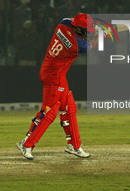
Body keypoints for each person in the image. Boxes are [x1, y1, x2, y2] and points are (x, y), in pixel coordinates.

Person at [16, 13, 97, 160]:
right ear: (78, 30)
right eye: (86, 31)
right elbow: (91, 45)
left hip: (52, 71)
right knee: (49, 112)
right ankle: (27, 144)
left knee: (69, 108)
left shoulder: (63, 23)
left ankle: (74, 145)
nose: (88, 33)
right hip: (55, 77)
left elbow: (73, 22)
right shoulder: (76, 45)